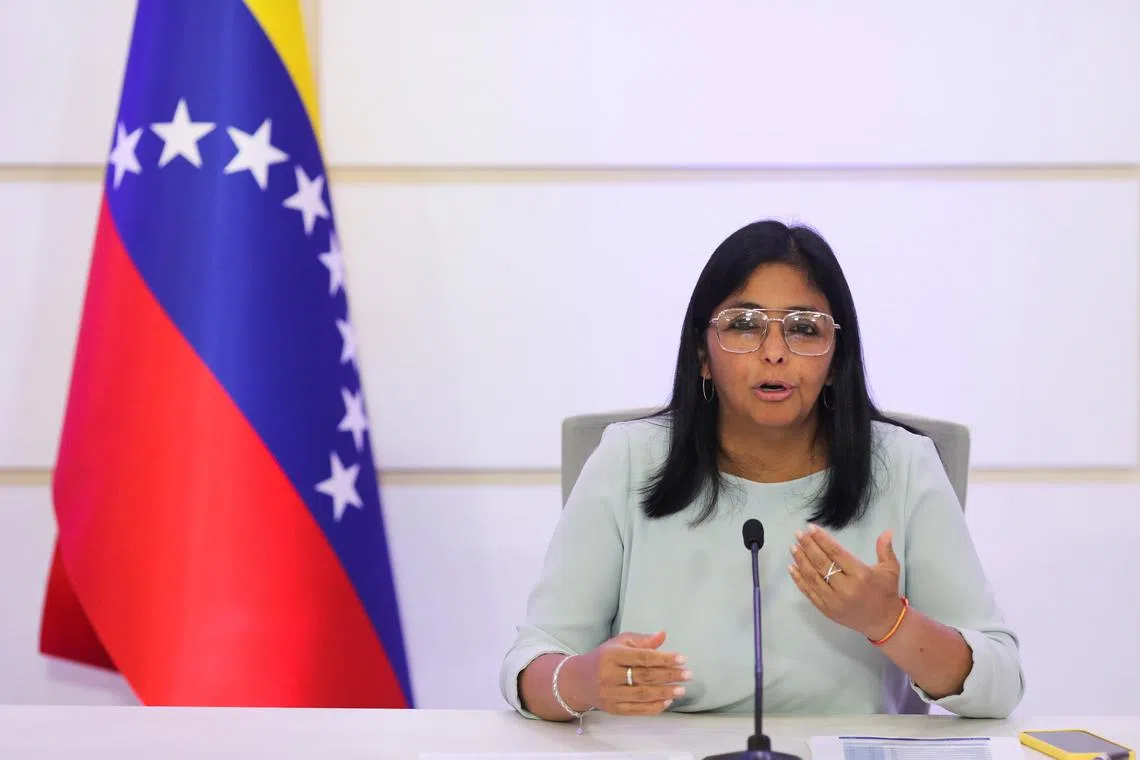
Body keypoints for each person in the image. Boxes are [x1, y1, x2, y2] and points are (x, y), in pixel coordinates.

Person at [499, 219, 1024, 723]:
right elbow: (532, 664)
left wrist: (890, 622)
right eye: (744, 325)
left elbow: (1000, 684)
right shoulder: (629, 459)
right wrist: (584, 681)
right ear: (702, 355)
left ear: (836, 359)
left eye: (804, 328)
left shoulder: (905, 466)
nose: (774, 353)